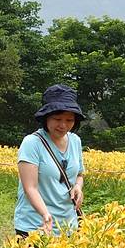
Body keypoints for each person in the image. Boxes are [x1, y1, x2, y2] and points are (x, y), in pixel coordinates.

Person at [14, 84, 85, 237]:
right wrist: (45, 214)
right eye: (57, 119)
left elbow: (79, 174)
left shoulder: (75, 141)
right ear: (46, 117)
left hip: (68, 227)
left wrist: (78, 187)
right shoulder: (32, 143)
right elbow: (30, 188)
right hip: (36, 225)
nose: (63, 125)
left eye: (69, 120)